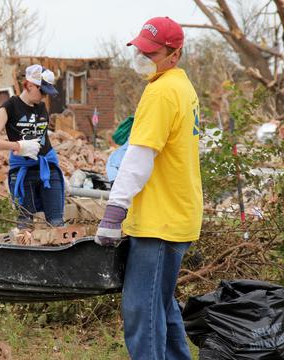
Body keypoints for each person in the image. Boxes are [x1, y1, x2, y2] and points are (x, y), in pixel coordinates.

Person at [94, 17, 203, 359]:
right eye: (140, 49)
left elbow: (139, 159)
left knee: (142, 311)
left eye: (151, 53)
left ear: (175, 54)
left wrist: (114, 212)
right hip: (176, 214)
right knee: (162, 306)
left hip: (161, 222)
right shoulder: (182, 86)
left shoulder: (161, 92)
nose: (142, 57)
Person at [0, 64, 65, 228]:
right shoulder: (9, 107)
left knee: (57, 222)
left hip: (47, 168)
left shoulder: (42, 107)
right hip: (23, 171)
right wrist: (18, 145)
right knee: (24, 224)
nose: (44, 96)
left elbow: (43, 138)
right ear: (29, 85)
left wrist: (57, 168)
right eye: (41, 91)